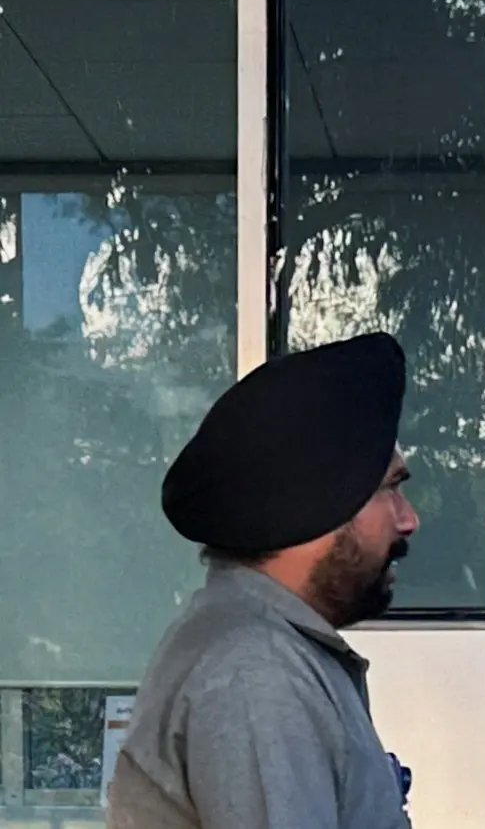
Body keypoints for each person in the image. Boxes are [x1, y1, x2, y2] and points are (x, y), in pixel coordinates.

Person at [105, 333, 419, 829]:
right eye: (390, 489)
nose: (408, 520)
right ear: (321, 503)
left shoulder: (268, 648)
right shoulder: (257, 671)